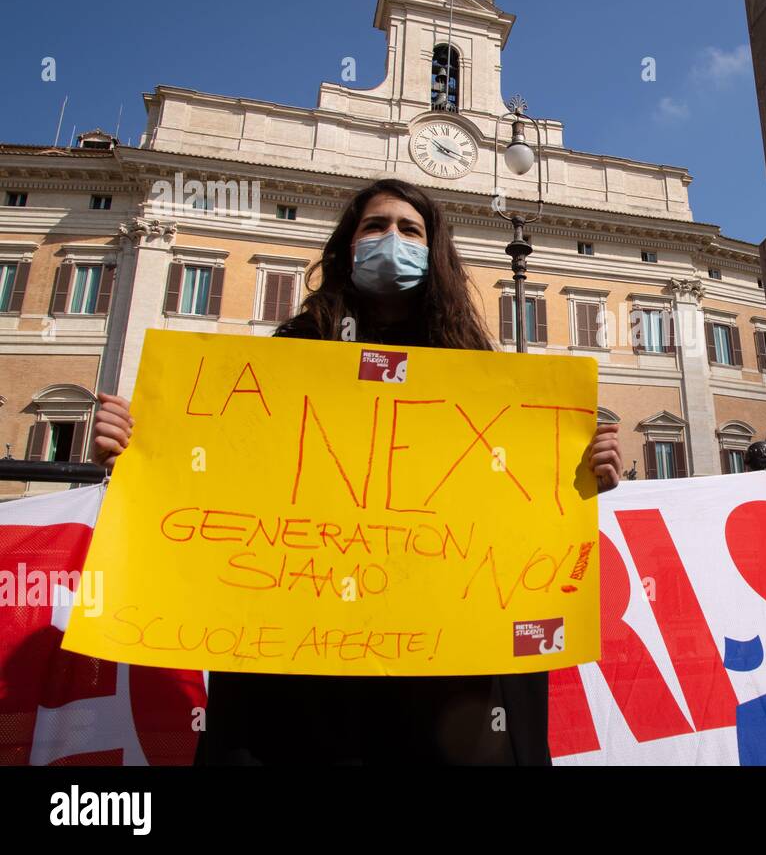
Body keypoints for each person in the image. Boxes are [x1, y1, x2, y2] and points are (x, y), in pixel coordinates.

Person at [90, 178, 623, 765]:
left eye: (409, 229)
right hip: (311, 639)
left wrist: (581, 472)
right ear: (347, 245)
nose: (391, 238)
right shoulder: (290, 349)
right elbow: (225, 465)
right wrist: (139, 450)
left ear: (434, 249)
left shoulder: (478, 368)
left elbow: (514, 498)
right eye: (375, 226)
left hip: (443, 647)